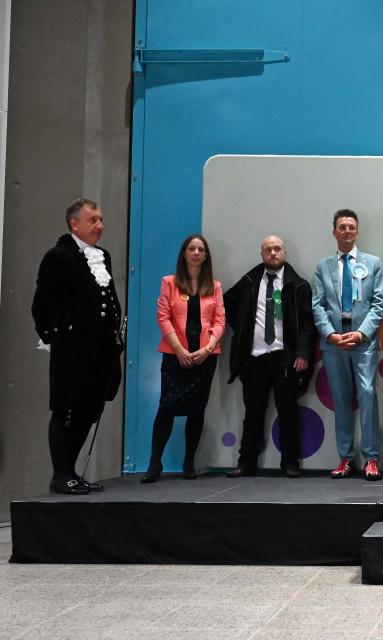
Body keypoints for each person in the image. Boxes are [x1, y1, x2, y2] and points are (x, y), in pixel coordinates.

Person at [32, 198, 124, 495]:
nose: (99, 225)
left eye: (100, 219)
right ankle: (60, 474)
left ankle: (70, 471)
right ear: (75, 224)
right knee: (66, 410)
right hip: (73, 352)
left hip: (101, 351)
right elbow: (42, 305)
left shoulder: (102, 256)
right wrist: (58, 336)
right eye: (92, 220)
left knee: (89, 409)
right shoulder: (59, 256)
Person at [223, 235, 317, 479]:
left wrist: (303, 353)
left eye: (277, 249)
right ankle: (246, 463)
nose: (272, 253)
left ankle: (290, 463)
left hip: (284, 357)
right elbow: (226, 305)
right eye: (267, 250)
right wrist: (243, 330)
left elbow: (308, 324)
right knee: (252, 413)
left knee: (288, 412)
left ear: (285, 252)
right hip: (254, 358)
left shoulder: (298, 285)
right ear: (261, 253)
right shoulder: (249, 282)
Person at [141, 234, 225, 483]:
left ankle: (189, 463)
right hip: (175, 355)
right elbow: (163, 316)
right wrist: (179, 349)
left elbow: (220, 321)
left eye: (201, 249)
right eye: (192, 249)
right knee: (166, 407)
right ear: (184, 254)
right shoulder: (169, 282)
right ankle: (154, 463)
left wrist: (208, 348)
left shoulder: (215, 286)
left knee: (196, 410)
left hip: (205, 357)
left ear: (206, 256)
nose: (196, 253)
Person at [312, 209, 383, 480]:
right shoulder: (322, 266)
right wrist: (331, 335)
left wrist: (361, 333)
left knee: (367, 395)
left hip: (363, 342)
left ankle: (371, 459)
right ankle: (345, 458)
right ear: (334, 232)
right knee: (341, 399)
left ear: (357, 232)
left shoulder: (373, 263)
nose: (347, 231)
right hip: (333, 343)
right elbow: (318, 306)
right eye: (342, 227)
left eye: (351, 227)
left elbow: (379, 304)